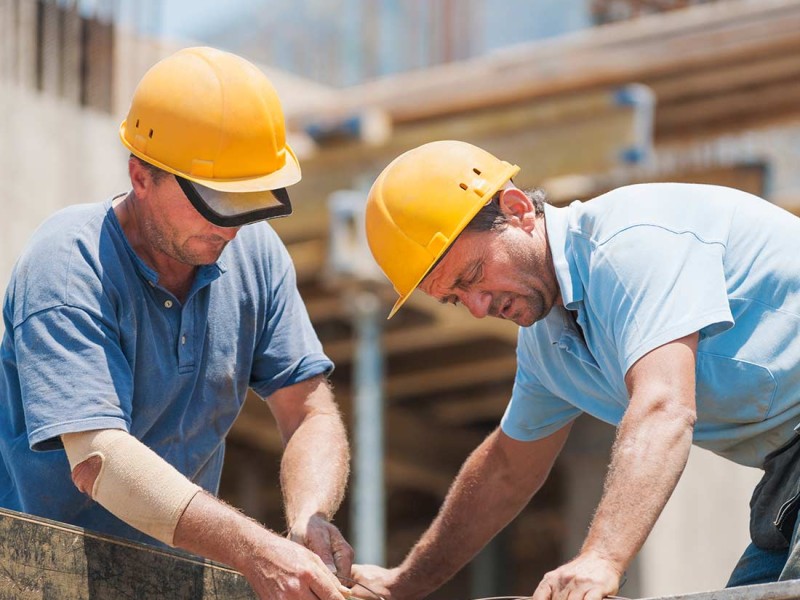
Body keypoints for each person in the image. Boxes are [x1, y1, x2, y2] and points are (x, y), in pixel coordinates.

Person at [353, 140, 800, 599]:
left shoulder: (629, 244)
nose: (478, 307)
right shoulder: (548, 346)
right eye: (454, 298)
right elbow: (507, 469)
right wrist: (403, 585)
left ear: (517, 208)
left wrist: (603, 558)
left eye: (472, 277)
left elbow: (663, 406)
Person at [0, 47, 354, 600]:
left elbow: (309, 409)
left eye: (250, 199)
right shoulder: (68, 265)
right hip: (38, 579)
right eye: (216, 200)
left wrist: (309, 520)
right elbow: (100, 461)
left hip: (173, 583)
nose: (233, 226)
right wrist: (257, 550)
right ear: (140, 176)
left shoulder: (254, 254)